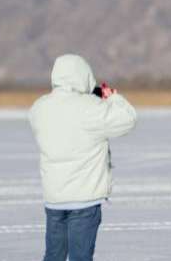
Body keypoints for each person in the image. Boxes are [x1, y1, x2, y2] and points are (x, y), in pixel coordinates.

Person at [29, 54, 137, 261]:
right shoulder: (90, 108)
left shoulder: (40, 108)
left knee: (53, 256)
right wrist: (111, 96)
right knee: (81, 257)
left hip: (54, 200)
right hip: (84, 200)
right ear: (84, 76)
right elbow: (128, 119)